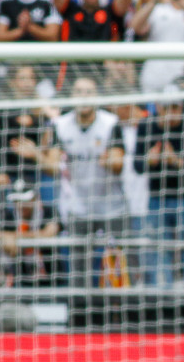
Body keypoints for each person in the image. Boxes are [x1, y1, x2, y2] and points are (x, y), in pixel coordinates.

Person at [42, 77, 127, 287]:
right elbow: (52, 167)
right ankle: (80, 316)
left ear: (97, 96)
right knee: (79, 273)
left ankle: (123, 314)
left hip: (112, 206)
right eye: (79, 91)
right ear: (72, 96)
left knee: (122, 268)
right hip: (78, 207)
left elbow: (118, 164)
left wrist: (108, 161)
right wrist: (38, 156)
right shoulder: (60, 125)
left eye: (89, 91)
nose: (84, 96)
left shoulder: (110, 123)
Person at [134, 99, 184, 289]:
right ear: (158, 107)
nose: (171, 113)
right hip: (158, 198)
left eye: (175, 107)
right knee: (159, 252)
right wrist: (150, 160)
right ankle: (161, 301)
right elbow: (137, 165)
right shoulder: (146, 126)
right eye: (167, 107)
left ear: (182, 108)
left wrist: (176, 161)